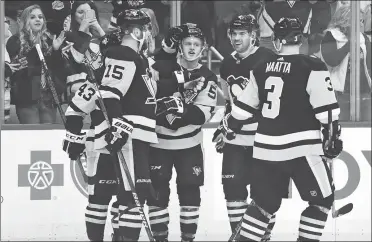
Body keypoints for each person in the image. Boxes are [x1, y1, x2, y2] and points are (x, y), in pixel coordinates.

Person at [224, 17, 343, 241]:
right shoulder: (313, 65)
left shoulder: (261, 67)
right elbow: (327, 112)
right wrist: (333, 138)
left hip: (265, 150)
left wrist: (228, 126)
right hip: (302, 150)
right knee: (323, 200)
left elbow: (241, 110)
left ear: (277, 41)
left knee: (263, 205)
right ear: (301, 39)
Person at [145, 23, 218, 242]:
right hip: (158, 144)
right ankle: (160, 238)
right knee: (157, 192)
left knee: (190, 191)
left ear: (203, 48)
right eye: (187, 43)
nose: (192, 48)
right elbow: (148, 99)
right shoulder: (161, 67)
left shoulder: (208, 76)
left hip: (189, 146)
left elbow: (201, 115)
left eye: (197, 44)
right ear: (180, 46)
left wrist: (173, 109)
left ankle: (188, 239)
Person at [211, 14, 277, 241]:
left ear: (254, 35)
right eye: (234, 34)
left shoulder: (268, 58)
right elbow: (229, 101)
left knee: (264, 195)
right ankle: (239, 237)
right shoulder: (226, 63)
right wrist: (223, 125)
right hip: (235, 138)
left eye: (242, 34)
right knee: (233, 192)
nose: (237, 38)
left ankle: (261, 238)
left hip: (263, 138)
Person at [6, 4, 65, 124]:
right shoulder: (15, 41)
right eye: (32, 17)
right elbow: (17, 70)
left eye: (40, 17)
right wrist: (34, 46)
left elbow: (57, 68)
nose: (38, 19)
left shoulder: (49, 40)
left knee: (48, 136)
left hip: (48, 97)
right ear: (24, 20)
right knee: (32, 137)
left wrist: (55, 50)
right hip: (27, 98)